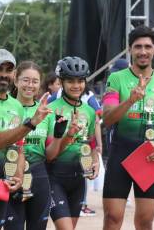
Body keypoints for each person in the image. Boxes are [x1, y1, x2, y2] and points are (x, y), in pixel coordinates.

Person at [102, 25, 154, 230]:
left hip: (149, 157)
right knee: (112, 218)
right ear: (130, 50)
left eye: (148, 47)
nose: (143, 51)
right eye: (138, 46)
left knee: (145, 221)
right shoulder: (116, 79)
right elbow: (107, 119)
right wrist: (130, 99)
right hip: (120, 154)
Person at [0, 51, 51, 230]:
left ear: (13, 74)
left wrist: (18, 176)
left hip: (2, 183)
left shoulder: (16, 106)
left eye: (8, 70)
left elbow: (18, 146)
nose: (3, 74)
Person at [4, 61, 65, 230]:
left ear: (40, 84)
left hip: (39, 176)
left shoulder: (46, 112)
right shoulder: (3, 106)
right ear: (15, 80)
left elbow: (51, 154)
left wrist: (60, 135)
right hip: (11, 175)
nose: (30, 85)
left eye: (35, 81)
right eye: (25, 80)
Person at [46, 56, 99, 230]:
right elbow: (49, 154)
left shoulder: (90, 112)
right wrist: (67, 135)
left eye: (80, 80)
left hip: (79, 180)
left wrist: (95, 161)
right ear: (61, 82)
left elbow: (89, 143)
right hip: (55, 177)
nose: (76, 85)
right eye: (70, 81)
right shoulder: (51, 109)